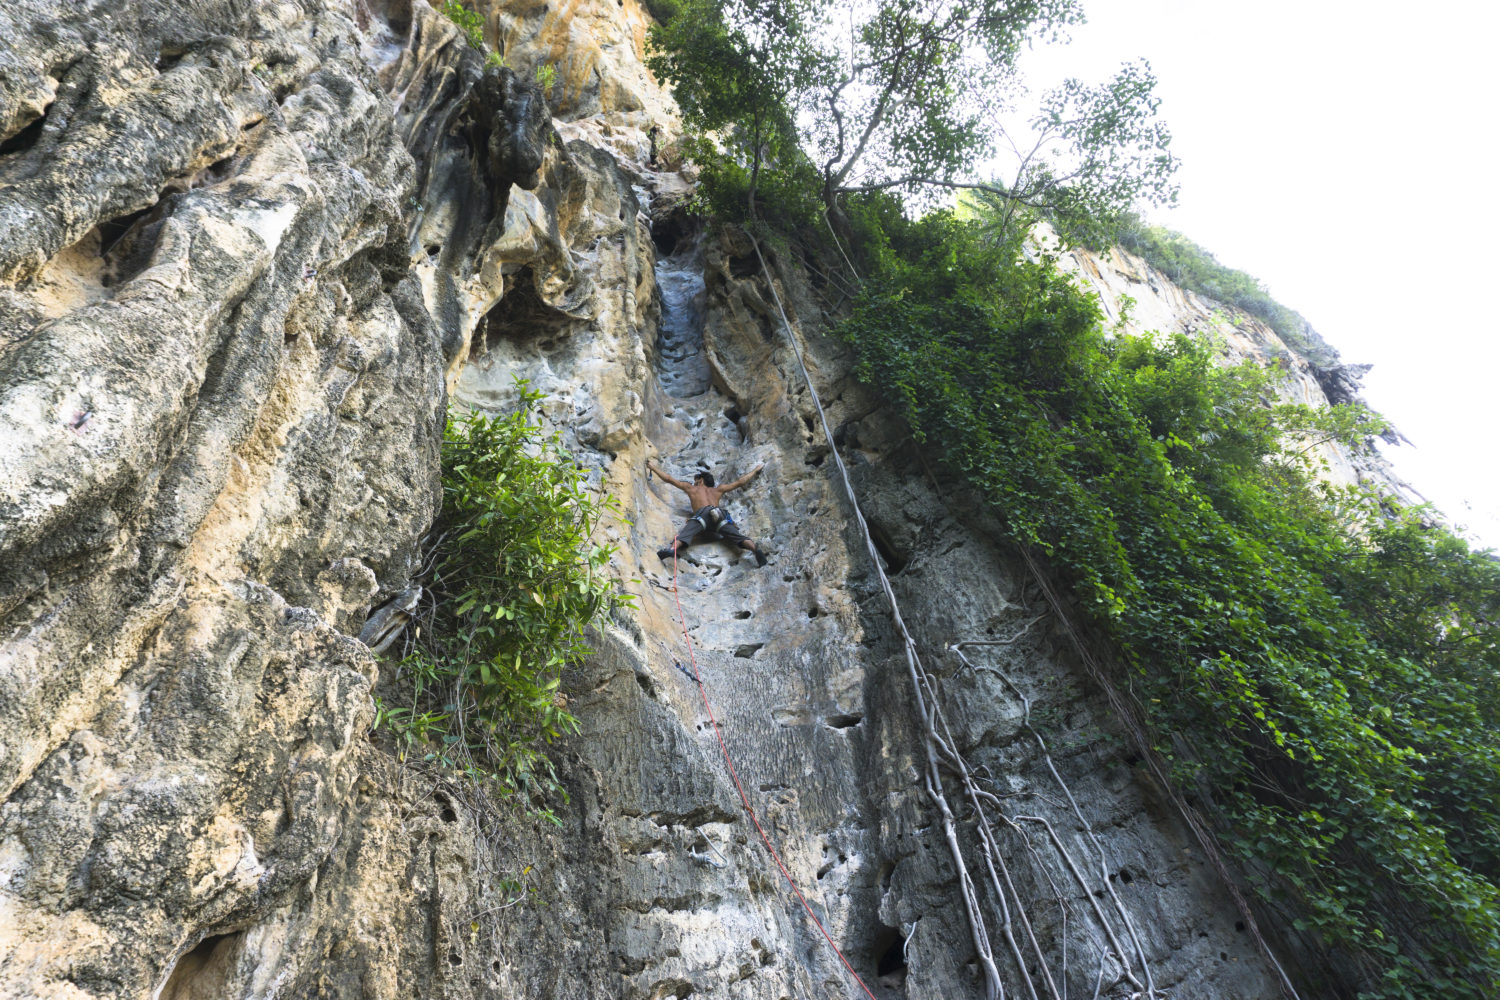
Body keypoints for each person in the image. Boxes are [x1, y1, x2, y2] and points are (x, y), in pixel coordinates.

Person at [647, 459, 768, 567]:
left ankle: (672, 549)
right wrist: (755, 470)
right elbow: (740, 482)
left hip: (703, 516)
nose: (694, 483)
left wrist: (652, 467)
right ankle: (755, 549)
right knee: (737, 536)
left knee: (685, 533)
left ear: (701, 480)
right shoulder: (718, 490)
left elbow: (669, 479)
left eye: (695, 480)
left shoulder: (692, 488)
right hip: (720, 516)